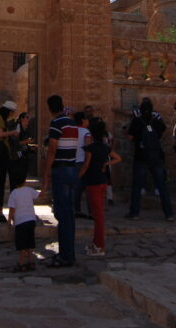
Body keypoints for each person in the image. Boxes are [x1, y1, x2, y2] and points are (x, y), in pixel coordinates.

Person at [40, 94, 78, 267]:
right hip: (72, 169)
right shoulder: (72, 123)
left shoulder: (56, 123)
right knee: (69, 213)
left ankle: (65, 256)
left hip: (61, 171)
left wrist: (46, 174)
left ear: (49, 108)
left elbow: (52, 150)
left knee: (62, 214)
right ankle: (69, 252)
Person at [125, 97, 175, 221]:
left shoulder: (137, 121)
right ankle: (169, 214)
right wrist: (156, 140)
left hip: (141, 157)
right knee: (162, 186)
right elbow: (164, 131)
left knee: (137, 186)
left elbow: (130, 137)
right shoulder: (156, 121)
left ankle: (134, 213)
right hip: (156, 156)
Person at [79, 117, 121, 256]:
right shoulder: (105, 148)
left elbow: (86, 165)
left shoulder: (90, 148)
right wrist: (106, 164)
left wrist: (77, 177)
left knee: (98, 217)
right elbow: (118, 158)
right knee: (98, 214)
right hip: (103, 181)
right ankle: (95, 243)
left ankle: (99, 246)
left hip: (93, 183)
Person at [7, 173, 40, 272]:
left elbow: (12, 209)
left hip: (20, 222)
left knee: (22, 245)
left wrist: (9, 220)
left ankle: (22, 264)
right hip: (31, 220)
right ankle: (31, 262)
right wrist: (45, 185)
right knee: (30, 242)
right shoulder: (29, 190)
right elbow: (39, 195)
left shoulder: (14, 193)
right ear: (25, 181)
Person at [73, 111, 93, 217]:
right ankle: (91, 212)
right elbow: (88, 148)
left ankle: (76, 209)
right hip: (83, 161)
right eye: (86, 119)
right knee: (88, 188)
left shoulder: (73, 130)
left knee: (77, 188)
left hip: (74, 161)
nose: (88, 121)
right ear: (82, 120)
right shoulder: (86, 132)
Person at [10, 111, 35, 184]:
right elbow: (16, 143)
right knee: (18, 174)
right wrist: (27, 141)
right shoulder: (18, 127)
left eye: (29, 117)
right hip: (17, 155)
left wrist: (30, 146)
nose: (28, 119)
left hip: (23, 154)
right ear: (21, 118)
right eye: (27, 117)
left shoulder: (26, 128)